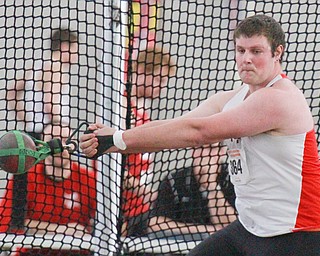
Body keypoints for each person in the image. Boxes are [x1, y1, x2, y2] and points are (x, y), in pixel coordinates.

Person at [80, 14, 320, 255]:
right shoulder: (235, 98)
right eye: (240, 50)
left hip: (295, 234)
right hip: (251, 227)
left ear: (277, 52)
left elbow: (197, 132)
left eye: (256, 51)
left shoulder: (279, 99)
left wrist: (117, 140)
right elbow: (178, 124)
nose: (246, 59)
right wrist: (114, 139)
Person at [0, 124, 96, 255]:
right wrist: (61, 229)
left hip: (74, 252)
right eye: (53, 139)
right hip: (31, 252)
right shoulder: (26, 177)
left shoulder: (88, 180)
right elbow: (12, 223)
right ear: (41, 145)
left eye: (64, 139)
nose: (59, 146)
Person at [121, 45, 176, 236]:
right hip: (122, 211)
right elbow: (109, 163)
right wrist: (145, 192)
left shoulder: (142, 111)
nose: (162, 86)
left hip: (140, 209)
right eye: (159, 79)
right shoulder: (122, 107)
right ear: (142, 71)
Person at [148, 144, 237, 237]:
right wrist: (205, 230)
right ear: (193, 151)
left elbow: (234, 225)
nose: (204, 154)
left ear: (222, 151)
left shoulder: (234, 179)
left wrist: (212, 186)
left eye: (211, 149)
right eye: (200, 148)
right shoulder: (174, 180)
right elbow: (155, 223)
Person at [7, 28, 79, 139]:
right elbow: (50, 101)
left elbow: (11, 94)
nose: (76, 55)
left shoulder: (36, 66)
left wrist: (27, 120)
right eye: (75, 49)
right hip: (50, 133)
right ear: (64, 47)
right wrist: (61, 129)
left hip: (32, 132)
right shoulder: (56, 68)